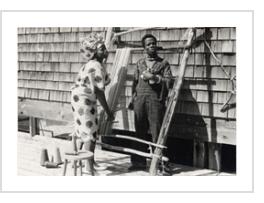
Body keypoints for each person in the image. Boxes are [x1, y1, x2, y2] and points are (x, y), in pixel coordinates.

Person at [129, 34, 173, 172]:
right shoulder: (139, 63)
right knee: (139, 130)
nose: (151, 46)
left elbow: (169, 82)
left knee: (157, 131)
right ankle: (138, 162)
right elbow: (135, 82)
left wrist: (155, 77)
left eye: (153, 43)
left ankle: (160, 164)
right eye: (148, 44)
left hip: (155, 100)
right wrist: (133, 98)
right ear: (144, 47)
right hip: (140, 100)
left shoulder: (163, 63)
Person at [71, 33, 114, 174]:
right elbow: (100, 92)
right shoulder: (96, 65)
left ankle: (91, 162)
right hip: (84, 100)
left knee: (89, 129)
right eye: (102, 49)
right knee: (89, 132)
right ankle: (89, 169)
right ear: (95, 52)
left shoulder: (92, 64)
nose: (105, 51)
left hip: (81, 99)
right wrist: (108, 112)